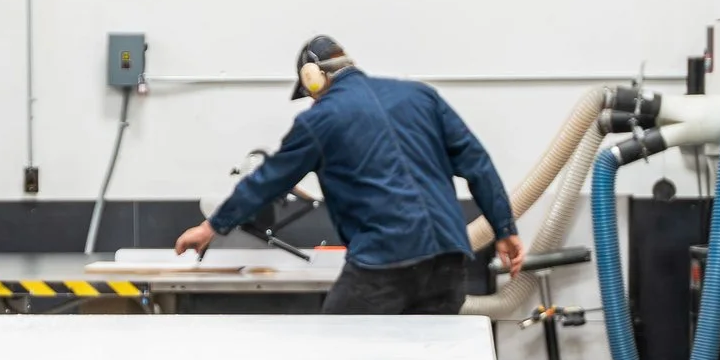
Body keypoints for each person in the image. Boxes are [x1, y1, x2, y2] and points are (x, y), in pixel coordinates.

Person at [174, 35, 526, 313]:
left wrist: (211, 227)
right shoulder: (421, 96)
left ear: (313, 79)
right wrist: (505, 229)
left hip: (384, 264)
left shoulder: (320, 120)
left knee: (339, 359)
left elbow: (269, 179)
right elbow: (477, 163)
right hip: (449, 260)